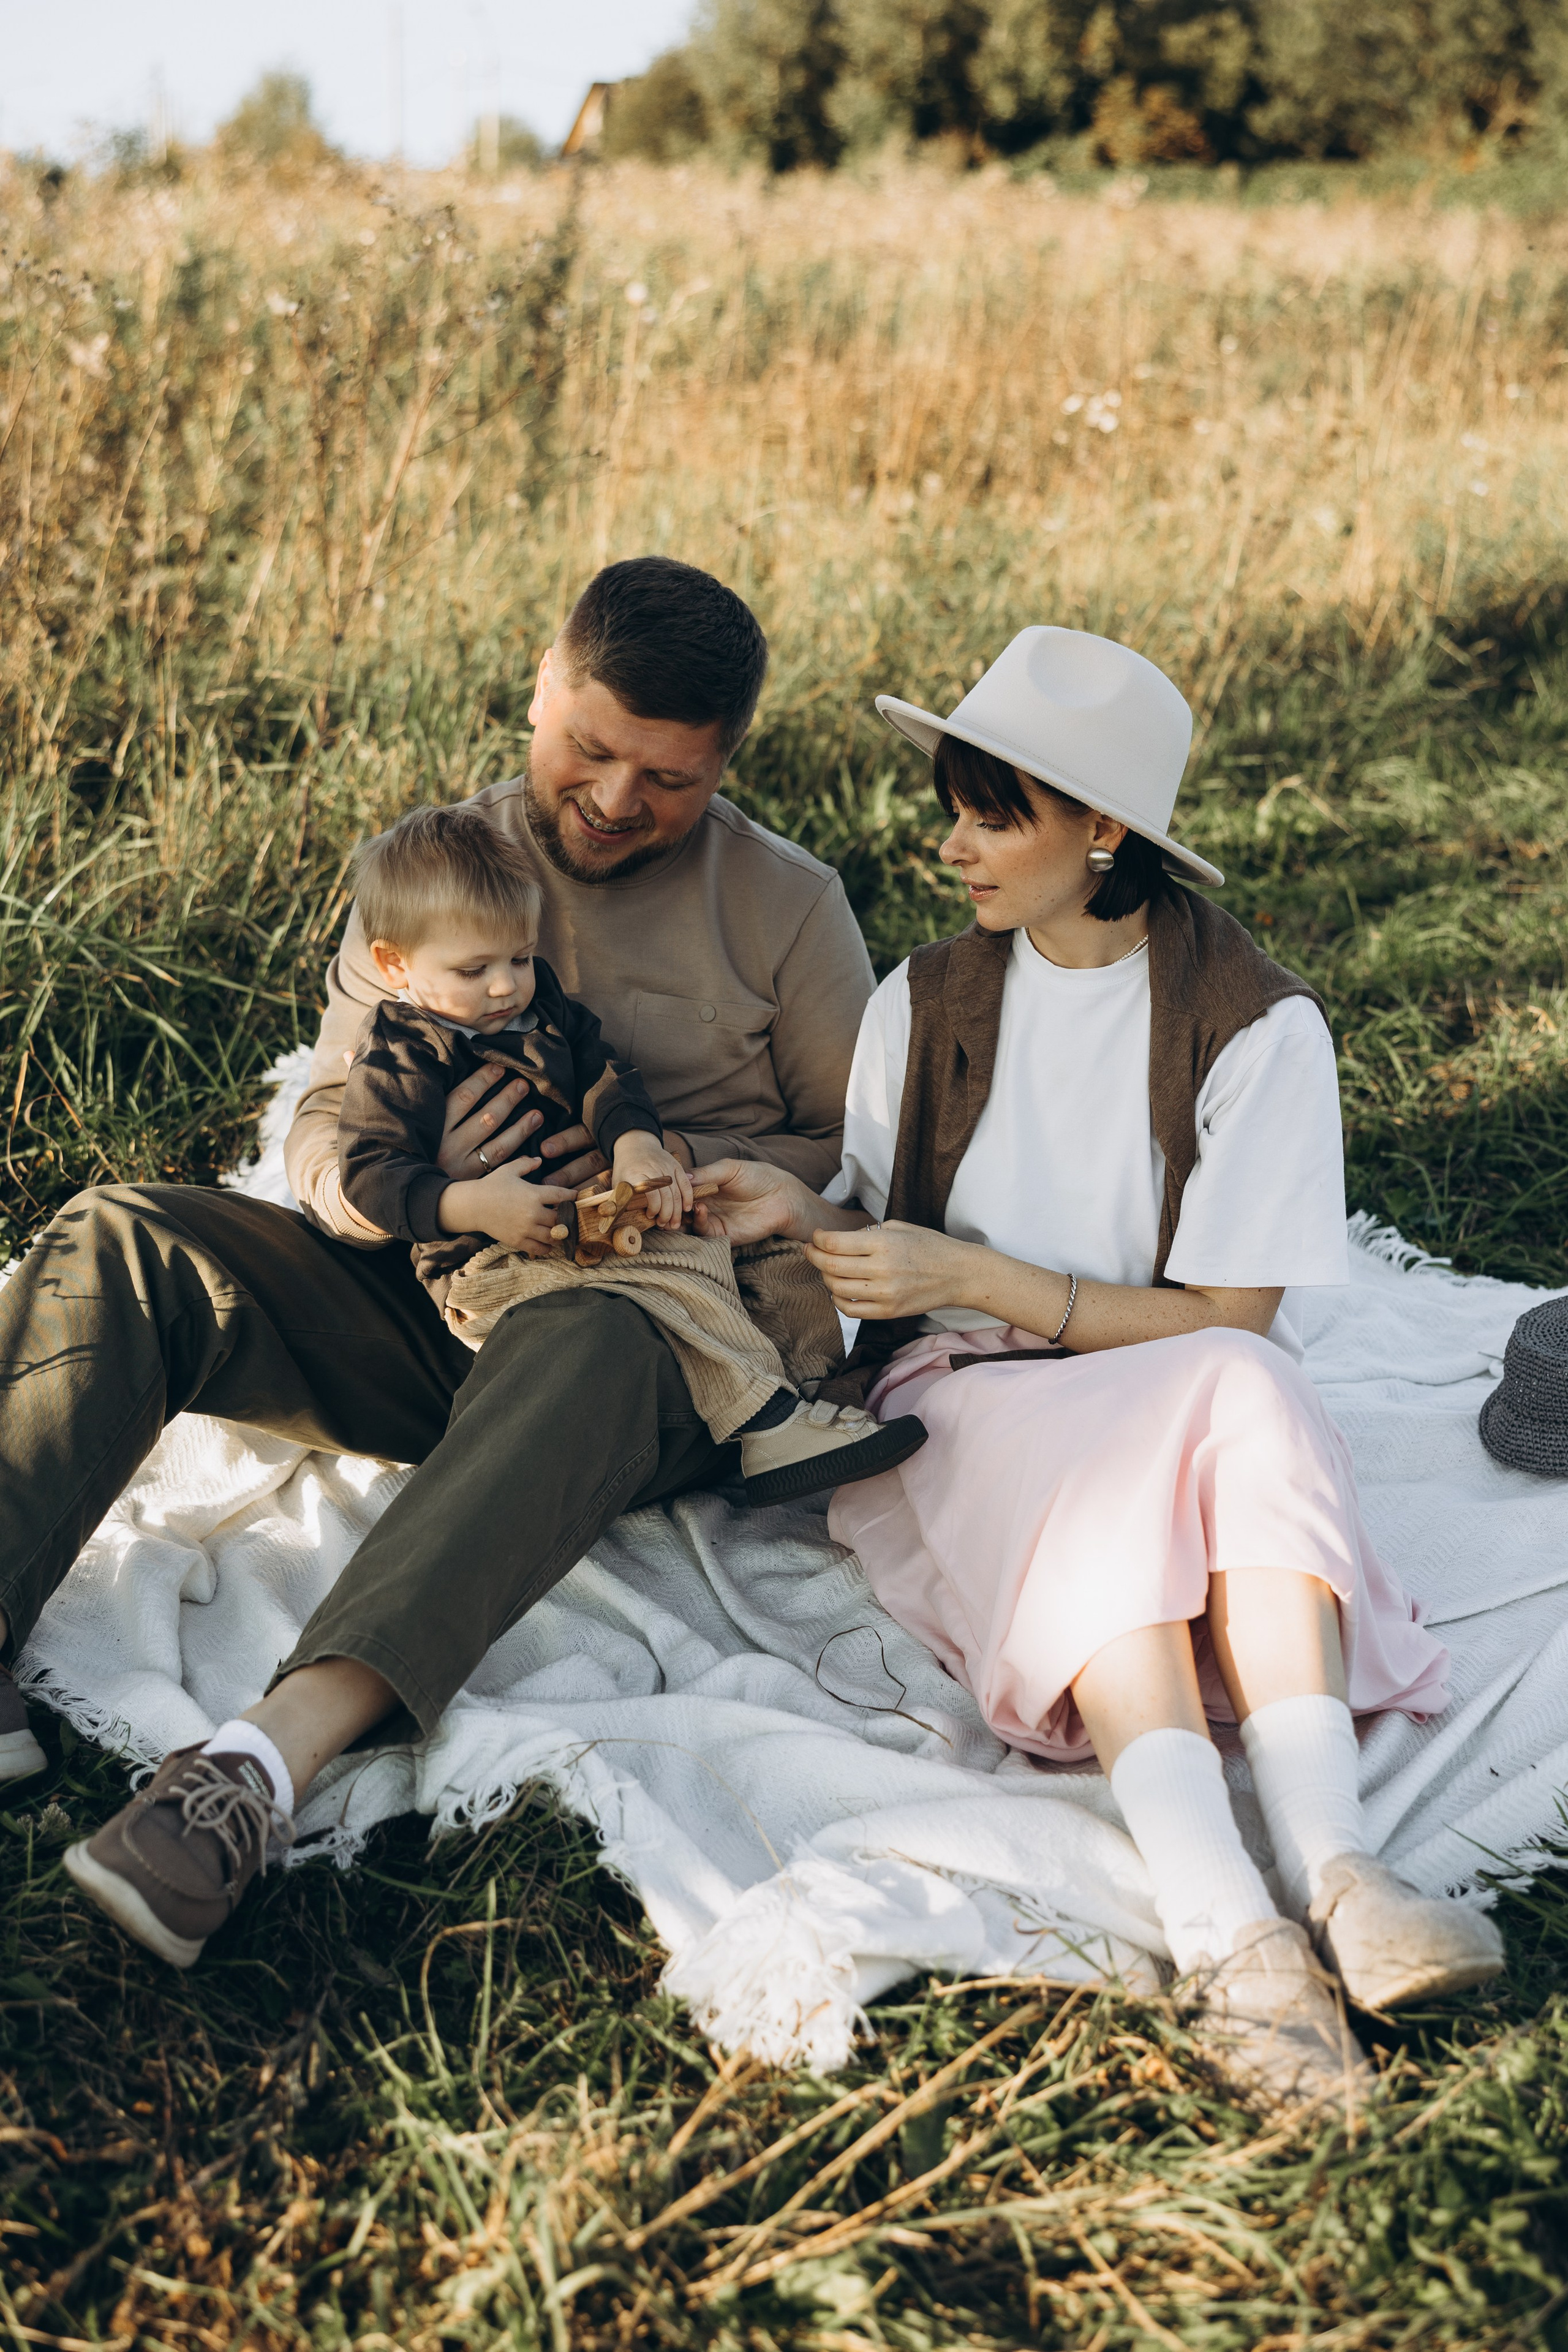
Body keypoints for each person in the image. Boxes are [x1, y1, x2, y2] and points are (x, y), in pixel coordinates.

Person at [0, 556, 876, 1971]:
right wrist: (439, 1192)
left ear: (725, 762)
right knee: (124, 1232)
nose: (611, 799)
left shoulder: (788, 905)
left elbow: (852, 1153)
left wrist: (719, 1184)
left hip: (650, 1337)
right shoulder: (435, 869)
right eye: (588, 748)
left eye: (667, 779)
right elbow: (331, 1136)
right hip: (440, 1284)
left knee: (587, 1329)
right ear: (541, 680)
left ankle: (252, 1773)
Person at [690, 624, 1504, 2108]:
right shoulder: (923, 1000)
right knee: (1103, 1482)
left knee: (1253, 1393)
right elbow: (883, 1225)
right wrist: (799, 1212)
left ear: (1102, 828)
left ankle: (1340, 1871)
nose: (950, 846)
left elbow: (1229, 1317)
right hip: (972, 1392)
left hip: (1168, 1354)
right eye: (956, 806)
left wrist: (992, 1275)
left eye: (992, 814)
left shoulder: (1254, 1023)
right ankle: (1225, 1925)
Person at [336, 802, 924, 1502]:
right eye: (473, 969)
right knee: (667, 1278)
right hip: (485, 1264)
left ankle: (809, 1395)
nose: (504, 985)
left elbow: (607, 1080)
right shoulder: (399, 1054)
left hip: (583, 1227)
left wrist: (639, 1145)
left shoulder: (539, 1007)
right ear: (393, 964)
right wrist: (472, 1204)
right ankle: (764, 1424)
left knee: (761, 1260)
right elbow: (370, 1175)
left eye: (520, 958)